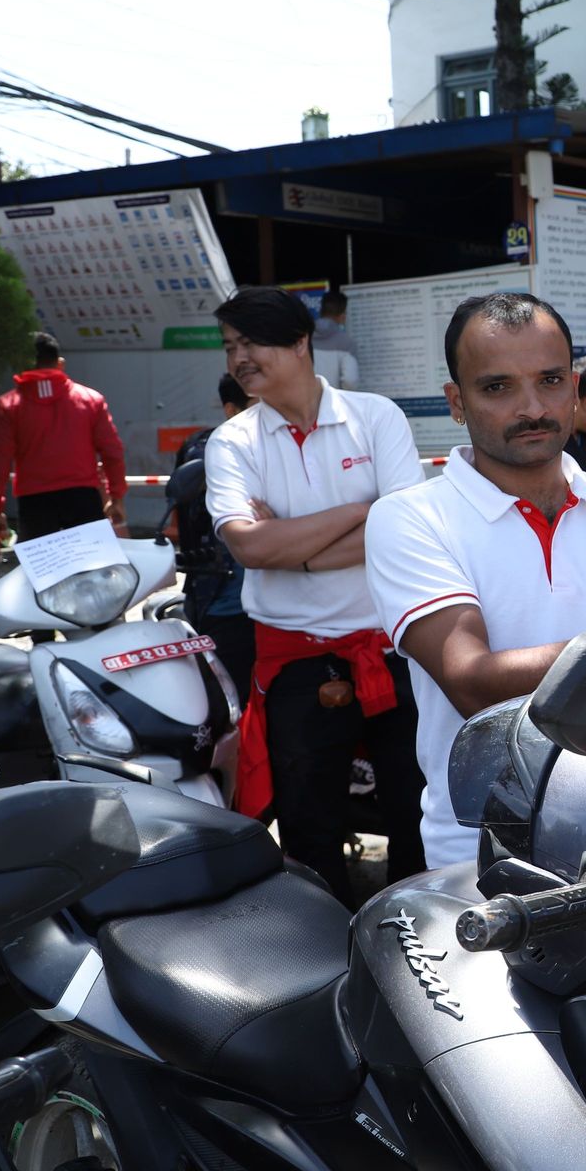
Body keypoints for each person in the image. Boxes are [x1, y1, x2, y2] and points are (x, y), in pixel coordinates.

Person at [365, 293, 586, 870]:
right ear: (456, 402)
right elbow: (470, 682)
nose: (532, 406)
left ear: (575, 390)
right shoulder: (411, 518)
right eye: (497, 387)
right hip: (488, 848)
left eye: (550, 380)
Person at [204, 286, 427, 903]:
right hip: (296, 659)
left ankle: (420, 939)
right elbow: (249, 548)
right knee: (308, 824)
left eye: (252, 342)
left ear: (302, 342)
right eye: (230, 347)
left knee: (418, 808)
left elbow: (406, 529)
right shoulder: (234, 442)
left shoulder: (375, 416)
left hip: (393, 649)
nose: (239, 358)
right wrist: (363, 511)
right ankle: (324, 958)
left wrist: (295, 550)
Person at [0, 332, 128, 544]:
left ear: (23, 365)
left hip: (34, 503)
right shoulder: (90, 400)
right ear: (60, 364)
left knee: (43, 573)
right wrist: (116, 498)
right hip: (84, 499)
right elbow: (112, 452)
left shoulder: (7, 406)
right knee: (94, 571)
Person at [174, 374, 257, 701]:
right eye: (258, 408)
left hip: (281, 605)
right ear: (230, 409)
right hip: (226, 602)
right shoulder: (206, 451)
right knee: (232, 702)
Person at [312, 291, 360, 390]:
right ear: (342, 315)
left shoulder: (304, 339)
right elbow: (350, 381)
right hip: (334, 402)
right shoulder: (346, 342)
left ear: (321, 311)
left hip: (306, 401)